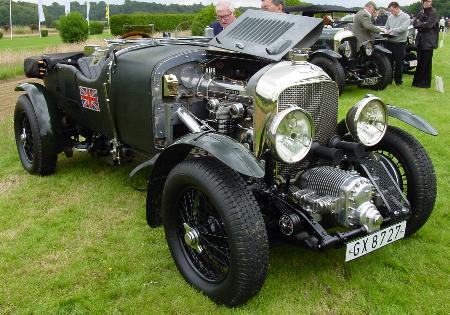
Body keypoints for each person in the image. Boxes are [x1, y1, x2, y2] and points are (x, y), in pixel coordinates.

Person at [412, 0, 439, 88]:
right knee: (420, 62)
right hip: (420, 41)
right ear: (422, 2)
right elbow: (414, 23)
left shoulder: (433, 12)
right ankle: (417, 82)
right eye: (426, 1)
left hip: (428, 41)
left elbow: (428, 25)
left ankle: (424, 83)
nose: (428, 3)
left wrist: (421, 24)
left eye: (429, 1)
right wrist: (421, 23)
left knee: (426, 63)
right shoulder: (421, 12)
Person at [384, 2, 410, 85]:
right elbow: (386, 27)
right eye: (390, 11)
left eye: (392, 10)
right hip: (389, 42)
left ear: (397, 8)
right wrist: (384, 31)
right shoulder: (390, 17)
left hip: (400, 43)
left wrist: (392, 30)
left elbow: (403, 28)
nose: (391, 12)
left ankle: (398, 81)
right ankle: (389, 80)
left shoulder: (406, 16)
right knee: (389, 62)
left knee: (399, 63)